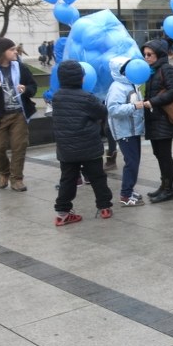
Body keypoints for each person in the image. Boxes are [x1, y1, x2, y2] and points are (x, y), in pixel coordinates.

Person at [51, 60, 116, 225]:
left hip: (66, 149)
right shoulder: (87, 97)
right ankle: (105, 207)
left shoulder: (57, 97)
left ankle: (62, 213)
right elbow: (102, 112)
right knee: (97, 177)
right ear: (81, 78)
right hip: (89, 147)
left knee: (67, 180)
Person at [0, 37, 37, 191]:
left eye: (15, 49)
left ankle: (17, 179)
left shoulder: (21, 68)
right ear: (2, 52)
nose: (16, 51)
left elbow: (33, 87)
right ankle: (4, 173)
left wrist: (25, 89)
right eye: (12, 49)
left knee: (19, 147)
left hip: (18, 114)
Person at [140, 39, 173, 204]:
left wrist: (153, 102)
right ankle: (164, 186)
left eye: (150, 54)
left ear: (159, 54)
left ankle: (169, 190)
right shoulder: (151, 71)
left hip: (163, 118)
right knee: (158, 154)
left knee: (164, 155)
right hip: (153, 118)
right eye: (145, 54)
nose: (146, 57)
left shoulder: (166, 69)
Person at [105, 56, 146, 206]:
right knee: (132, 163)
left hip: (133, 130)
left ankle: (129, 190)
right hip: (125, 132)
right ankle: (125, 195)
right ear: (121, 71)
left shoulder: (131, 84)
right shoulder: (117, 87)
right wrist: (136, 106)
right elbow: (113, 109)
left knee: (134, 162)